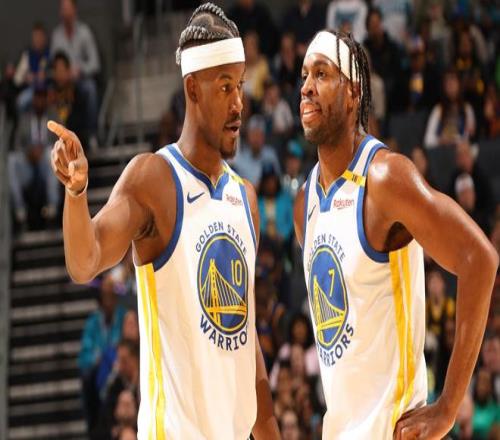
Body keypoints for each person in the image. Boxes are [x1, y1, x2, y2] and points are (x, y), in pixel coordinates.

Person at [47, 3, 279, 439]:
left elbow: (246, 345)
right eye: (224, 87)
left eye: (240, 86)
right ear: (192, 89)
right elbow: (84, 261)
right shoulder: (153, 178)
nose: (238, 104)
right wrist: (76, 194)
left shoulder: (245, 198)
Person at [294, 29, 498, 438]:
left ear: (353, 93)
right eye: (304, 76)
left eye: (322, 74)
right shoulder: (305, 204)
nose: (307, 88)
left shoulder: (386, 178)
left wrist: (447, 407)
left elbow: (479, 258)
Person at [51, 0, 100, 146]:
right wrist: (61, 74)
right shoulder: (56, 35)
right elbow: (53, 62)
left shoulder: (84, 32)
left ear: (74, 10)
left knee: (90, 88)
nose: (65, 13)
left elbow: (95, 63)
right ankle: (52, 137)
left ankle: (92, 134)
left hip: (79, 80)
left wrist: (79, 70)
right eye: (63, 9)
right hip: (61, 82)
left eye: (68, 8)